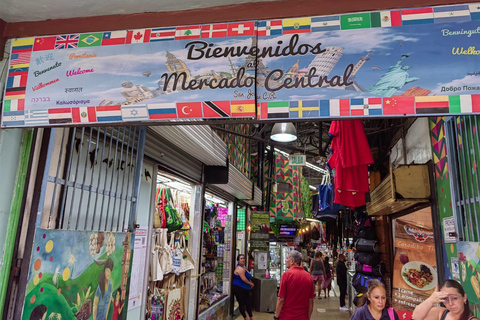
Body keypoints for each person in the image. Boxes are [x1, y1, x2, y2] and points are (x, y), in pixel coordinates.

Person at [275, 250, 315, 320]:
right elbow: (311, 301)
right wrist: (308, 317)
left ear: (292, 261)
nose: (285, 260)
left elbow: (281, 299)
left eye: (287, 258)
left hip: (286, 316)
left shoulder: (286, 275)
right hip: (302, 317)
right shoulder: (309, 277)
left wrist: (276, 316)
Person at [412, 280, 478, 320]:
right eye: (445, 299)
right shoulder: (441, 313)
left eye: (454, 298)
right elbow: (416, 317)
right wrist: (431, 300)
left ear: (464, 297)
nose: (450, 303)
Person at [232, 254, 255, 320]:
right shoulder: (239, 268)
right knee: (241, 303)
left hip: (245, 289)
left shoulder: (244, 267)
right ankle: (245, 318)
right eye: (241, 259)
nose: (243, 260)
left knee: (248, 303)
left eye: (243, 258)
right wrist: (251, 283)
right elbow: (243, 279)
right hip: (238, 288)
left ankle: (251, 317)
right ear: (238, 260)